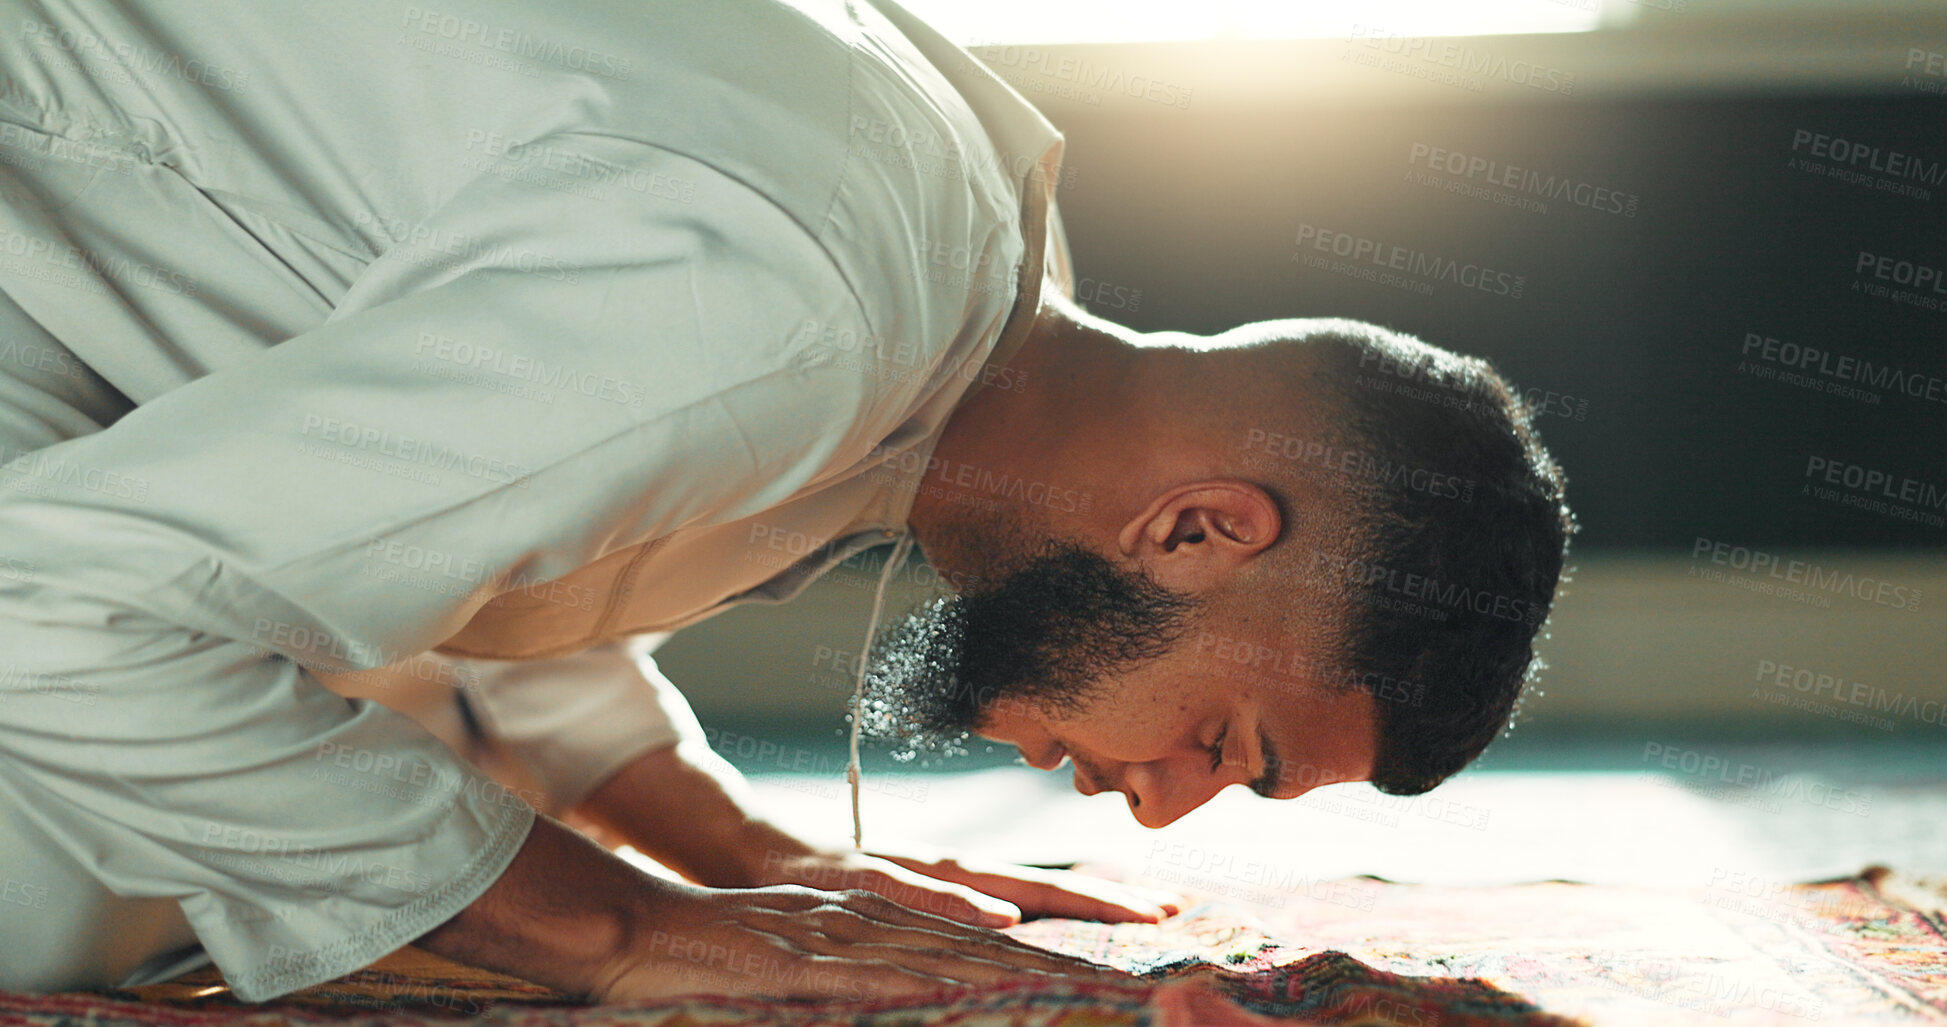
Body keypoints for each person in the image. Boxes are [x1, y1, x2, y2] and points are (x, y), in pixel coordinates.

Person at [0, 0, 1572, 1006]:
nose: (1159, 804)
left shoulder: (973, 316)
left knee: (233, 794)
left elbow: (510, 495)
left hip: (72, 290)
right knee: (72, 894)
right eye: (1224, 746)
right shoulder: (799, 303)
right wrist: (610, 930)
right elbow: (57, 609)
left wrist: (732, 847)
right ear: (1199, 529)